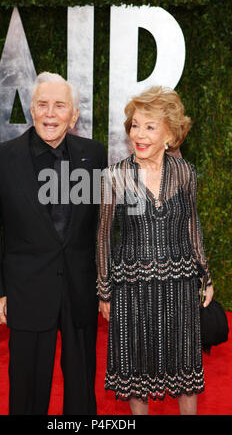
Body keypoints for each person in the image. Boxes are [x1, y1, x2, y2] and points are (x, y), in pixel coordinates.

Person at [0, 71, 107, 415]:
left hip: (80, 288)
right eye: (42, 105)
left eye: (59, 106)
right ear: (31, 110)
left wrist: (104, 287)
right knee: (27, 387)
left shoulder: (94, 156)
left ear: (73, 115)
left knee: (81, 386)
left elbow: (102, 228)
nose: (50, 113)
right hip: (26, 288)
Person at [96, 86, 214, 416]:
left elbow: (193, 226)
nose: (139, 134)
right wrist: (105, 292)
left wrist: (206, 276)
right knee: (136, 372)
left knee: (185, 371)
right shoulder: (115, 176)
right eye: (135, 125)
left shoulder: (186, 174)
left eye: (149, 126)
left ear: (169, 133)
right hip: (131, 287)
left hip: (179, 283)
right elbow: (103, 237)